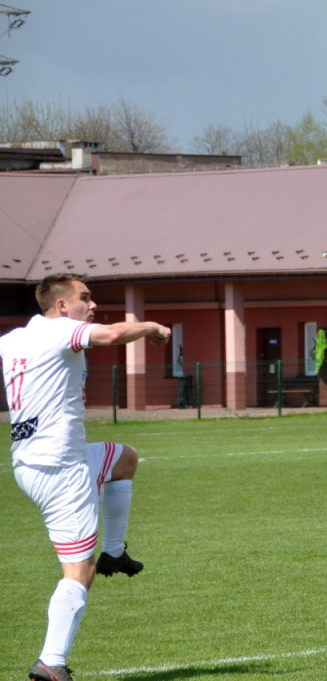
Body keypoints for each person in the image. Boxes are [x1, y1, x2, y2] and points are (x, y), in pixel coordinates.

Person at [1, 274, 171, 681]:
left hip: (36, 461)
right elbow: (112, 335)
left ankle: (115, 551)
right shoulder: (62, 330)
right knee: (79, 572)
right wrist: (151, 327)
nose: (92, 305)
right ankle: (51, 662)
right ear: (61, 306)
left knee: (124, 459)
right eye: (85, 298)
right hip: (61, 469)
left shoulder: (12, 339)